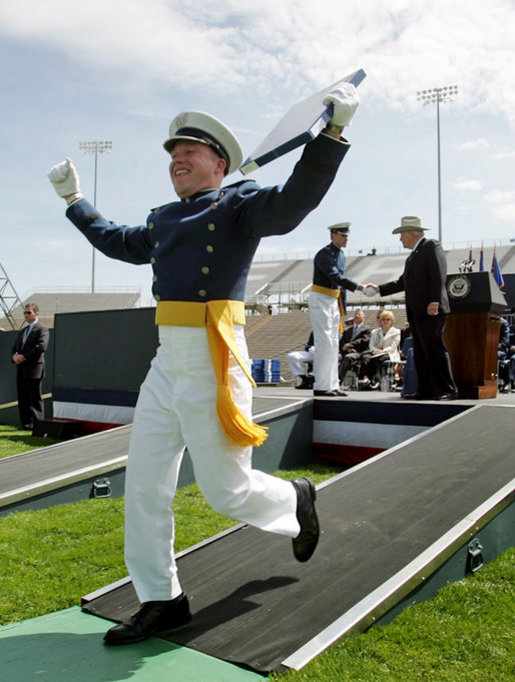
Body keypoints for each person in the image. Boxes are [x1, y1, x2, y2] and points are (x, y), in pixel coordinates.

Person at [47, 85, 360, 645]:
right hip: (167, 360)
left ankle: (294, 499)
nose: (177, 160)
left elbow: (292, 205)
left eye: (189, 150)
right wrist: (75, 202)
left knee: (225, 491)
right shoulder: (164, 218)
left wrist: (331, 137)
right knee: (143, 486)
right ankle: (161, 599)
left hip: (216, 358)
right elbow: (118, 241)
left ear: (220, 162)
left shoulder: (238, 204)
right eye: (172, 154)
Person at [368, 216, 458, 400]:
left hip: (430, 309)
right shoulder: (412, 258)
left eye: (401, 235)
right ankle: (425, 390)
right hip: (416, 312)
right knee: (421, 352)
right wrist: (379, 289)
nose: (400, 239)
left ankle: (448, 389)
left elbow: (438, 274)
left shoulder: (431, 246)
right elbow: (402, 283)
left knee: (434, 349)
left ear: (410, 234)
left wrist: (435, 301)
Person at [309, 223, 366, 396]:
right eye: (343, 235)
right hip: (321, 298)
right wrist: (359, 287)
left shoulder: (341, 255)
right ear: (333, 235)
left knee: (334, 343)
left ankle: (333, 384)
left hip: (333, 299)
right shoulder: (323, 254)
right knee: (324, 342)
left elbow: (339, 283)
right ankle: (321, 385)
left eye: (347, 236)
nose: (346, 238)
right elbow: (335, 276)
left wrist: (343, 307)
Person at [11, 303, 49, 429]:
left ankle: (38, 424)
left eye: (29, 313)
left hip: (34, 369)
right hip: (21, 369)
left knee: (35, 397)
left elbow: (41, 347)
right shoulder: (23, 331)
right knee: (23, 397)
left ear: (36, 313)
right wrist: (14, 357)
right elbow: (16, 347)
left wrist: (24, 357)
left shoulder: (41, 329)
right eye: (25, 313)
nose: (26, 315)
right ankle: (26, 423)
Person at [359, 310, 400, 389]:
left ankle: (377, 380)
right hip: (375, 352)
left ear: (392, 321)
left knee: (378, 359)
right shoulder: (375, 332)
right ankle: (366, 378)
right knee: (365, 357)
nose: (385, 321)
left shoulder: (396, 332)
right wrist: (375, 350)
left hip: (390, 354)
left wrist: (382, 351)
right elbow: (371, 345)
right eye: (383, 319)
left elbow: (393, 347)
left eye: (388, 319)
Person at [338, 308, 371, 383]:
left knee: (348, 357)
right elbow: (342, 343)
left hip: (360, 352)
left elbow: (364, 341)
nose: (356, 315)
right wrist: (347, 349)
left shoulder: (367, 329)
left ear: (364, 317)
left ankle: (342, 379)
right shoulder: (347, 330)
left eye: (359, 314)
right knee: (337, 357)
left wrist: (350, 345)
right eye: (355, 314)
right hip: (348, 351)